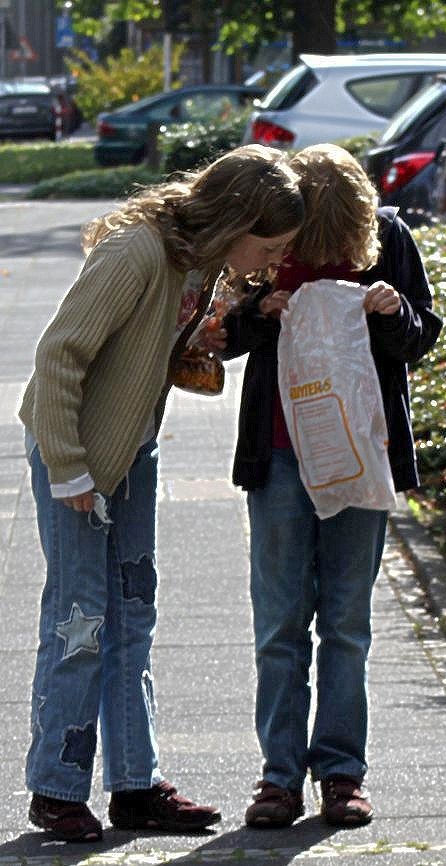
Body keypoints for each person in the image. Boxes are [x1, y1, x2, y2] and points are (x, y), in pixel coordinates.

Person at [18, 144, 305, 844]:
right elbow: (59, 356)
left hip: (130, 450)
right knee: (81, 618)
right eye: (265, 245)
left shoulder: (199, 261)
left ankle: (134, 784)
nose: (268, 260)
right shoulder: (137, 254)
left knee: (133, 614)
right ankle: (56, 789)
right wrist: (71, 470)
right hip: (77, 456)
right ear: (233, 219)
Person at [217, 143, 443, 829]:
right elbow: (225, 336)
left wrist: (392, 308)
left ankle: (342, 773)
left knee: (346, 621)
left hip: (359, 457)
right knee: (281, 621)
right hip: (280, 454)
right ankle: (279, 777)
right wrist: (263, 313)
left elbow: (422, 335)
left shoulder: (389, 238)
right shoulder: (270, 239)